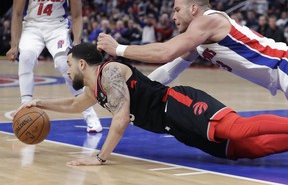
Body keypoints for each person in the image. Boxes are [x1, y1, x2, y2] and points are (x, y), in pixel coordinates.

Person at [16, 43, 288, 166]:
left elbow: (121, 120)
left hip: (180, 104)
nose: (67, 72)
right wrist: (38, 102)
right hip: (174, 125)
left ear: (82, 64)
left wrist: (99, 158)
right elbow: (75, 106)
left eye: (69, 66)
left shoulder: (109, 72)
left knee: (237, 130)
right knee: (241, 150)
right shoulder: (93, 87)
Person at [97, 0, 288, 99]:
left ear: (194, 8)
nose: (173, 16)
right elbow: (169, 69)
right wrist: (134, 91)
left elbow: (165, 52)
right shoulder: (199, 38)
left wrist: (119, 49)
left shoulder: (207, 20)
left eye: (177, 10)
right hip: (280, 73)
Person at [5, 0, 102, 132]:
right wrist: (14, 44)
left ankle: (89, 112)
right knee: (26, 57)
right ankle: (25, 107)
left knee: (65, 65)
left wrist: (77, 42)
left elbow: (77, 16)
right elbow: (16, 13)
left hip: (57, 26)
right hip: (32, 26)